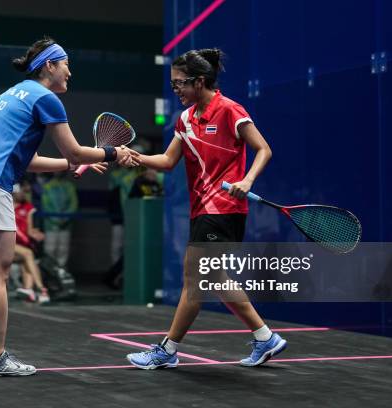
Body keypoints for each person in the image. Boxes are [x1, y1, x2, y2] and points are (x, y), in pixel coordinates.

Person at [0, 37, 139, 377]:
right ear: (49, 65)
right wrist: (113, 153)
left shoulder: (11, 95)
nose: (70, 72)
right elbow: (76, 151)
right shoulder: (46, 98)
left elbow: (29, 160)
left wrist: (69, 165)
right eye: (66, 64)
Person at [124, 48, 286, 369]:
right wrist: (137, 158)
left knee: (195, 280)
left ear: (199, 82)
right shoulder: (185, 119)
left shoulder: (229, 110)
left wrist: (248, 180)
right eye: (172, 85)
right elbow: (168, 161)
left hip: (224, 207)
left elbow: (263, 149)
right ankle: (265, 337)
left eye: (179, 84)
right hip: (202, 209)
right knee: (212, 279)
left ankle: (167, 350)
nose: (176, 91)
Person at [12, 184, 49, 304]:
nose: (23, 193)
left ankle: (29, 290)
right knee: (28, 254)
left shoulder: (28, 207)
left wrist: (35, 234)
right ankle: (41, 288)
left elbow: (29, 230)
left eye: (24, 191)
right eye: (21, 191)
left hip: (20, 247)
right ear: (14, 192)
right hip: (4, 243)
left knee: (28, 258)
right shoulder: (4, 206)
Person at [40, 171, 77, 268]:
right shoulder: (47, 186)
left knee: (63, 249)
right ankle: (49, 273)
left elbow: (73, 203)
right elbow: (46, 205)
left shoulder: (69, 186)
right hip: (50, 225)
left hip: (66, 224)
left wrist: (65, 218)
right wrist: (55, 220)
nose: (60, 172)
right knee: (50, 249)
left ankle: (61, 272)